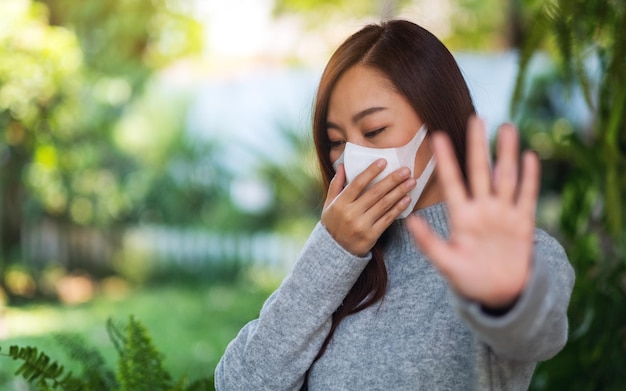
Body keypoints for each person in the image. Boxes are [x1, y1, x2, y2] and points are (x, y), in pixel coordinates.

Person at [214, 19, 575, 390]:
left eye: (373, 131)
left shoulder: (519, 255)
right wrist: (331, 251)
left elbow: (539, 333)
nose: (352, 157)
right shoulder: (341, 264)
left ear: (438, 124)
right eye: (337, 141)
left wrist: (506, 298)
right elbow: (239, 383)